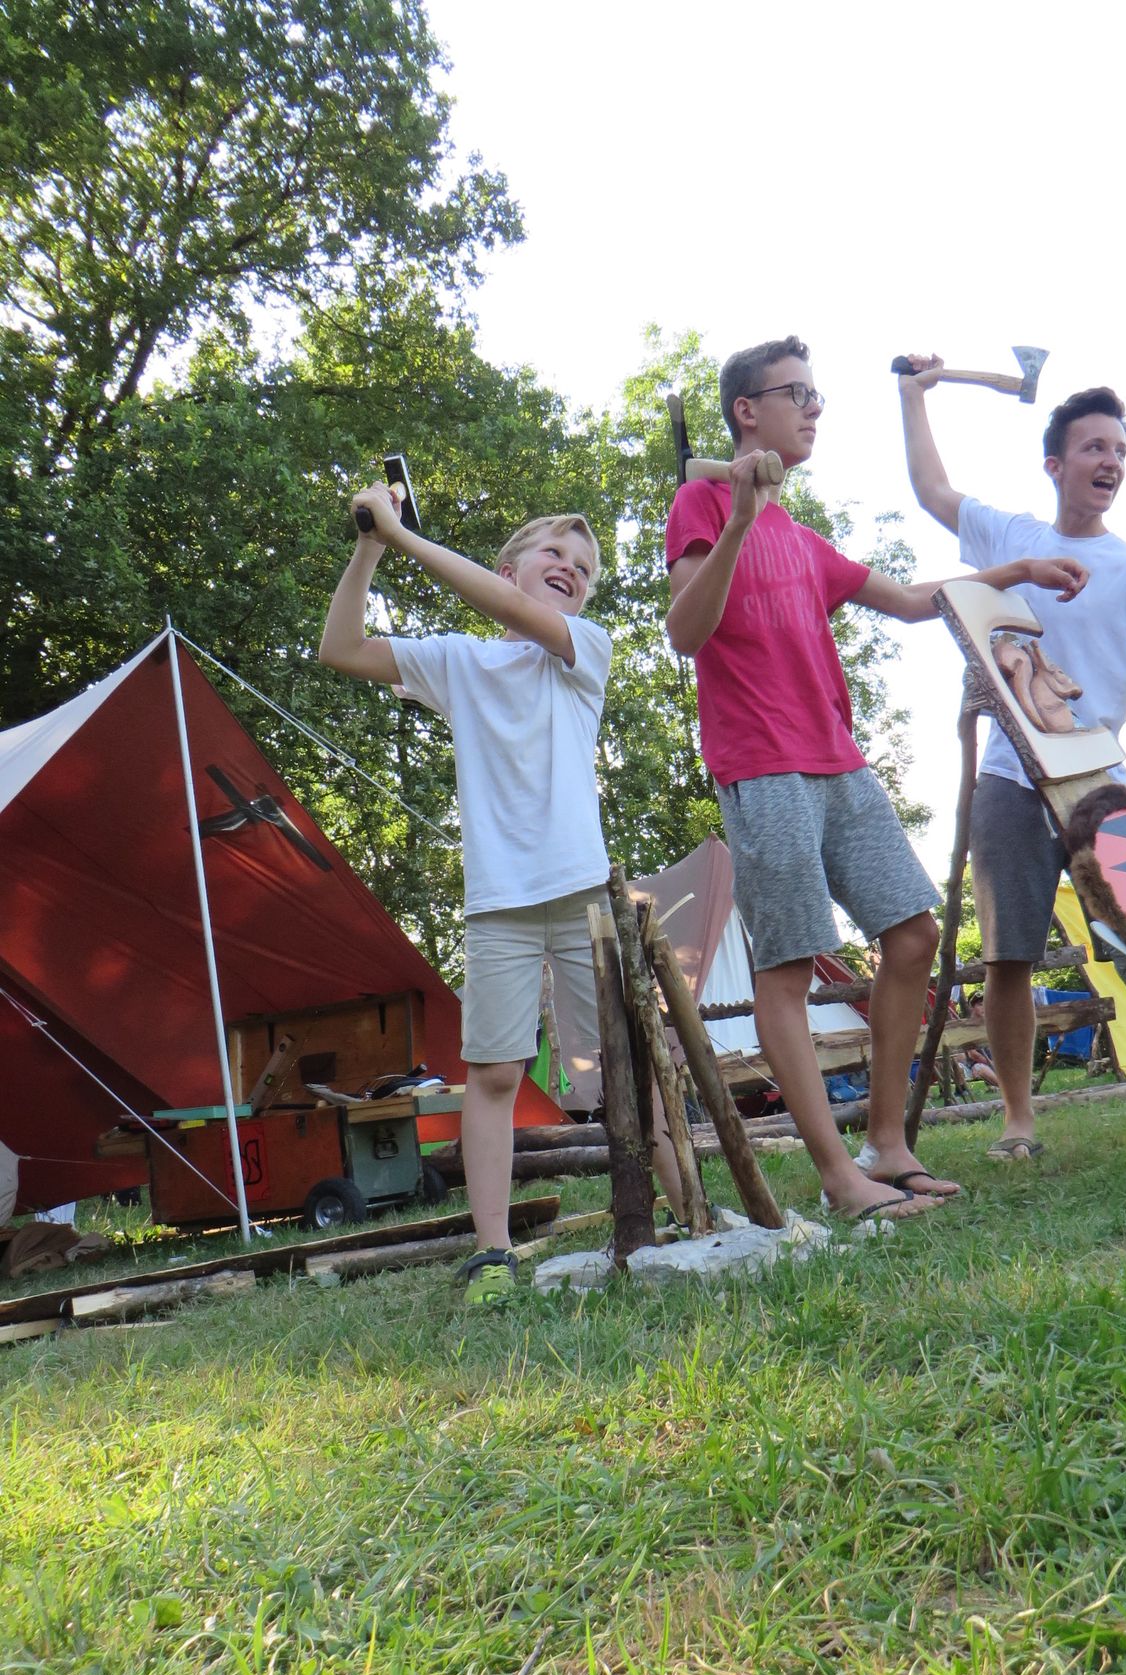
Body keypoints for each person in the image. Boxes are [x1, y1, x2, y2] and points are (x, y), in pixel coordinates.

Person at [665, 334, 1086, 1221]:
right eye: (798, 394)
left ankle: (886, 1144)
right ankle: (838, 1178)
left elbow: (910, 600)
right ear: (747, 411)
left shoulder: (803, 540)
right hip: (762, 765)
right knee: (787, 968)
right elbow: (685, 632)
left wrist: (1015, 570)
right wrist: (736, 520)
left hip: (840, 762)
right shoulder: (701, 503)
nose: (816, 409)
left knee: (914, 935)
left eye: (817, 395)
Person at [319, 492, 683, 1305]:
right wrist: (370, 546)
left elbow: (515, 612)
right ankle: (492, 1253)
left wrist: (404, 536)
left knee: (629, 1062)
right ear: (508, 567)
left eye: (583, 568)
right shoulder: (459, 662)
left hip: (586, 898)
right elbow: (338, 646)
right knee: (493, 1074)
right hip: (498, 905)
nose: (571, 571)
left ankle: (683, 1206)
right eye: (555, 554)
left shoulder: (585, 649)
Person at [898, 362, 1126, 1160]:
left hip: (1099, 784)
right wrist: (913, 396)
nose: (1111, 462)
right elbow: (932, 490)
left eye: (1120, 450)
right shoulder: (1015, 538)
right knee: (1009, 955)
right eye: (1095, 447)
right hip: (1009, 775)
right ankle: (1018, 1120)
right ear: (1055, 463)